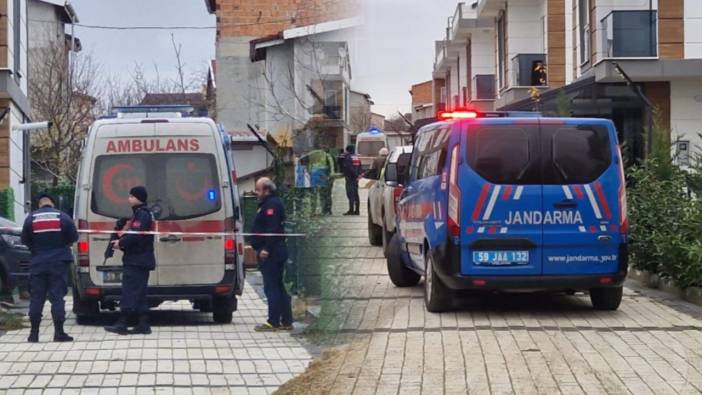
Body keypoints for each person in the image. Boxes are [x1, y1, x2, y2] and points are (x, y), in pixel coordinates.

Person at [21, 193, 78, 343]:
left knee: (37, 298)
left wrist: (37, 250)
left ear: (39, 204)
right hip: (58, 263)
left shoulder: (31, 218)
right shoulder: (63, 217)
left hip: (38, 263)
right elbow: (73, 237)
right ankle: (59, 333)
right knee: (57, 298)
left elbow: (25, 240)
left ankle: (34, 334)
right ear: (52, 203)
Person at [104, 186, 155, 335]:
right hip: (141, 258)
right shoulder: (142, 214)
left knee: (130, 291)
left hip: (137, 259)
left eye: (131, 196)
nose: (129, 199)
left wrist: (120, 243)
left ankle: (122, 323)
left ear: (138, 198)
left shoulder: (142, 215)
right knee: (139, 293)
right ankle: (143, 324)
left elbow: (135, 235)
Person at [251, 177, 293, 331]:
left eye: (258, 189)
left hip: (272, 253)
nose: (256, 192)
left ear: (267, 190)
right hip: (274, 251)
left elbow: (272, 229)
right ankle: (286, 320)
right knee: (278, 285)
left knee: (272, 287)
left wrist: (266, 249)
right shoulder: (268, 204)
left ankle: (273, 321)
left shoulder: (271, 205)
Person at [342, 145, 361, 215]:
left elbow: (349, 168)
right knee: (356, 194)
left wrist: (354, 175)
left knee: (350, 194)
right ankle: (357, 210)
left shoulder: (348, 158)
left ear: (348, 150)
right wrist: (358, 175)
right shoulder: (356, 157)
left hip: (350, 178)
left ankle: (351, 210)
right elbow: (359, 167)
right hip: (356, 179)